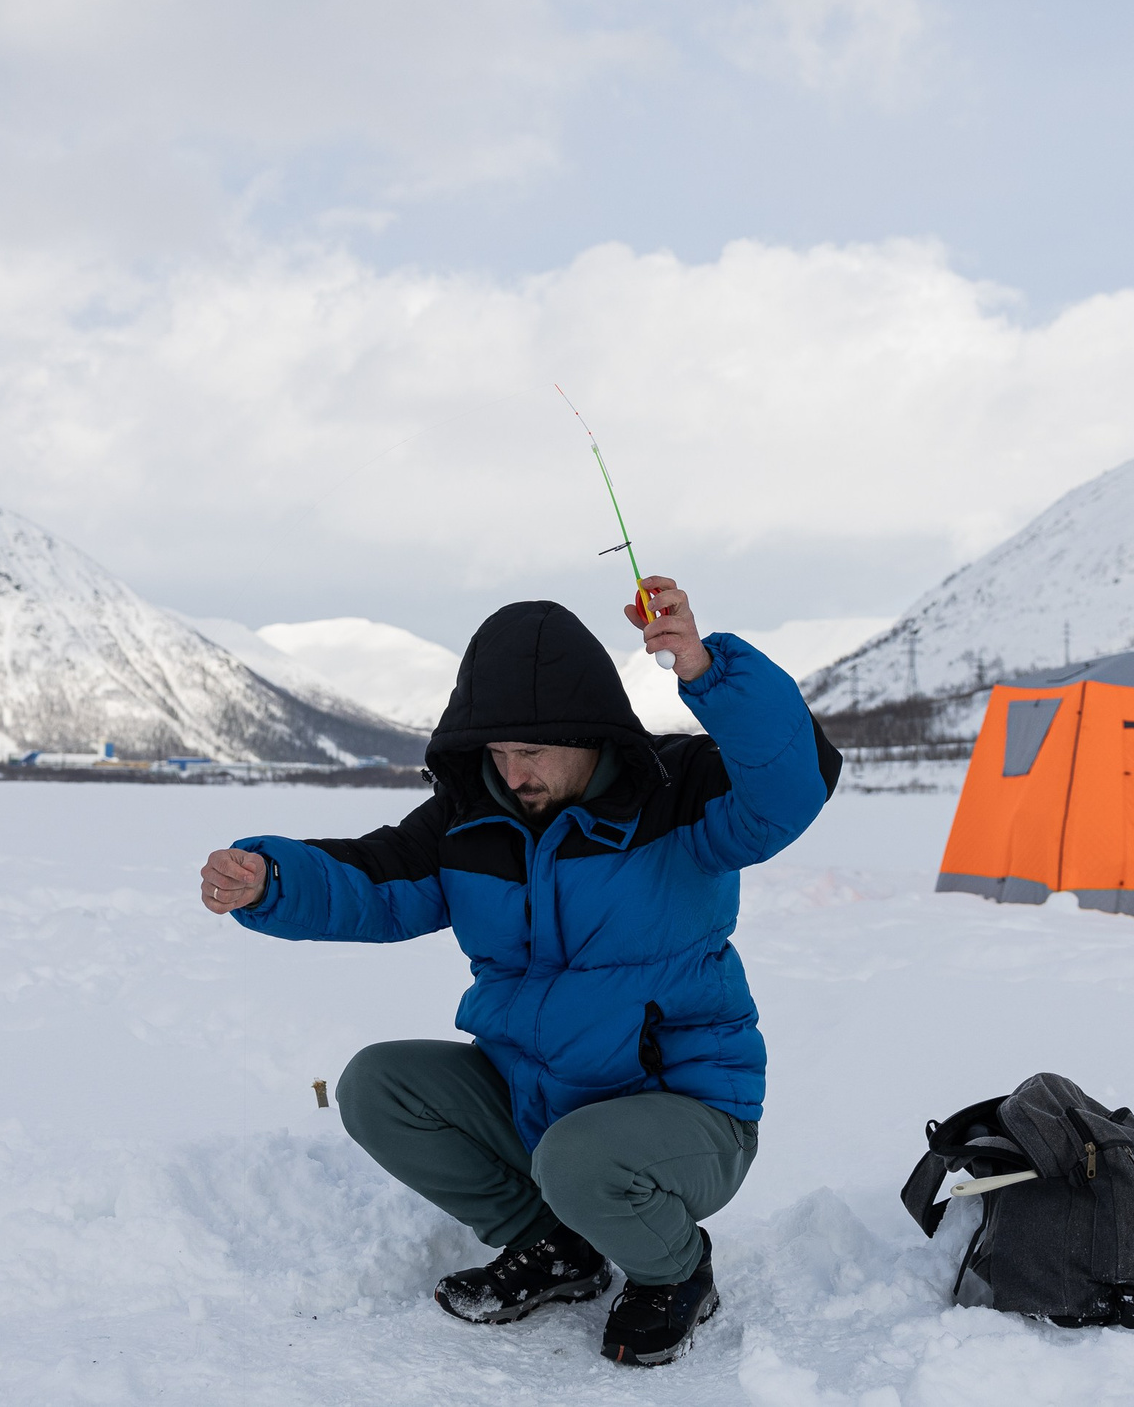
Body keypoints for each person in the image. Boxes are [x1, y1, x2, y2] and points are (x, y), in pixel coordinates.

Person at [200, 578, 840, 1366]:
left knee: (581, 1158)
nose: (513, 771)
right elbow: (377, 883)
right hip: (538, 1098)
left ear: (591, 734)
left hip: (685, 1116)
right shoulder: (472, 821)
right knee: (378, 1085)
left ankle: (675, 1271)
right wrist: (272, 879)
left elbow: (788, 788)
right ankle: (553, 1245)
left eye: (531, 750)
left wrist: (709, 673)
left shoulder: (680, 799)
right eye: (497, 752)